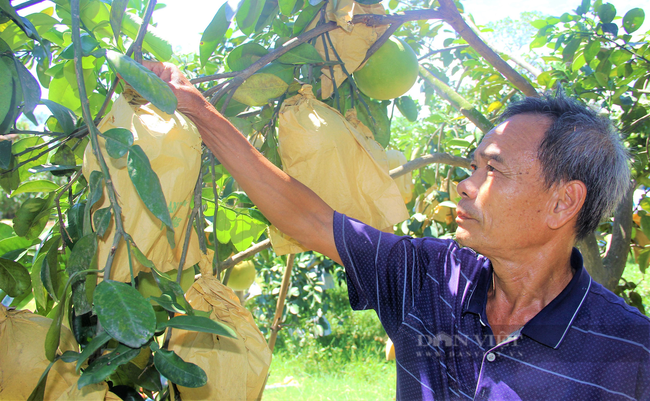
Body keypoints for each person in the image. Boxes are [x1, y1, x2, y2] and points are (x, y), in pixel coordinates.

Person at [143, 61, 650, 400]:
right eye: (472, 167)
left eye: (491, 171)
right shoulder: (427, 276)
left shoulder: (631, 353)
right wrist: (198, 110)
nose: (464, 185)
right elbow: (306, 217)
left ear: (563, 202)